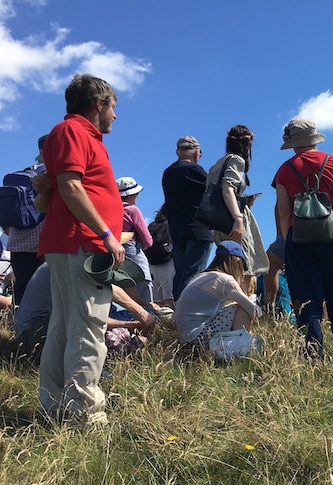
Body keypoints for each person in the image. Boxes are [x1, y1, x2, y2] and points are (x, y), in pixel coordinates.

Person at [35, 74, 125, 427]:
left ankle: (57, 405)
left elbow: (49, 199)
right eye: (113, 107)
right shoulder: (73, 131)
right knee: (88, 324)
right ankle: (86, 413)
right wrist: (106, 233)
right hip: (81, 243)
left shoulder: (76, 135)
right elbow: (71, 188)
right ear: (98, 104)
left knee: (66, 325)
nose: (115, 116)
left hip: (72, 242)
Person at [275, 118, 333, 360]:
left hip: (299, 238)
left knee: (306, 297)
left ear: (293, 142)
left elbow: (283, 211)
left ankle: (313, 355)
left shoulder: (285, 170)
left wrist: (289, 237)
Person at [15, 262, 155, 362]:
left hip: (36, 334)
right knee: (126, 340)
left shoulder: (67, 262)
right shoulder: (74, 267)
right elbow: (89, 315)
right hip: (36, 337)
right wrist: (133, 323)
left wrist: (139, 314)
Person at [207, 125, 269, 286]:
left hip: (219, 224)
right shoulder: (236, 160)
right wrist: (238, 217)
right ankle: (244, 308)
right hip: (232, 222)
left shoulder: (217, 164)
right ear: (247, 145)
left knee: (229, 267)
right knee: (244, 267)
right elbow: (228, 188)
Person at [175, 241, 259, 347]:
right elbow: (254, 311)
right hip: (198, 338)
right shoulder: (226, 280)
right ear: (237, 262)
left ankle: (239, 343)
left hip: (184, 340)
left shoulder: (201, 276)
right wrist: (251, 298)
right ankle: (239, 347)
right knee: (242, 308)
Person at [162, 135, 215, 300]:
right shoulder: (194, 170)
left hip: (177, 231)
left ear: (178, 152)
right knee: (193, 275)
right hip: (198, 229)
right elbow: (214, 192)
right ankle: (186, 314)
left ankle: (177, 311)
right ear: (196, 153)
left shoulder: (168, 172)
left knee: (181, 274)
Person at [5, 134, 47, 306]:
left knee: (22, 291)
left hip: (17, 242)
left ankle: (16, 329)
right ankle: (40, 331)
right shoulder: (52, 174)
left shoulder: (24, 173)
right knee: (46, 292)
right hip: (44, 242)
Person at [117, 177, 154, 305]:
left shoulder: (111, 210)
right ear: (130, 195)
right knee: (144, 294)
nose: (137, 196)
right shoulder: (132, 210)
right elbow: (147, 241)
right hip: (133, 253)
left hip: (115, 256)